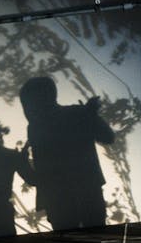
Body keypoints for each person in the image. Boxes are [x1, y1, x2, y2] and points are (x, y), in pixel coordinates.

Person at [19, 76, 115, 231]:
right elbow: (108, 137)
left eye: (27, 103)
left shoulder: (37, 128)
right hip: (79, 196)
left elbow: (42, 177)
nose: (27, 109)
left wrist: (90, 116)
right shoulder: (74, 114)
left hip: (68, 200)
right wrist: (90, 116)